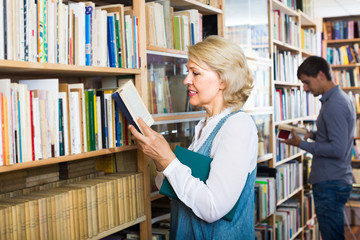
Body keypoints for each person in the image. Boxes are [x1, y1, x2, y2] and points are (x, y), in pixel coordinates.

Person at [129, 35, 258, 239]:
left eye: (195, 73)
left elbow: (212, 208)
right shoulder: (204, 126)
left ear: (223, 80)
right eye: (187, 72)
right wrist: (158, 155)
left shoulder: (237, 126)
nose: (186, 80)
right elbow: (176, 188)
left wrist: (166, 159)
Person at [283, 56, 356, 240]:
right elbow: (338, 137)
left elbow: (337, 149)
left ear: (321, 75)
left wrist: (301, 144)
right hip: (335, 178)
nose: (305, 88)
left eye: (307, 82)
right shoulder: (339, 100)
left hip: (330, 181)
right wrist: (313, 135)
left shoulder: (335, 105)